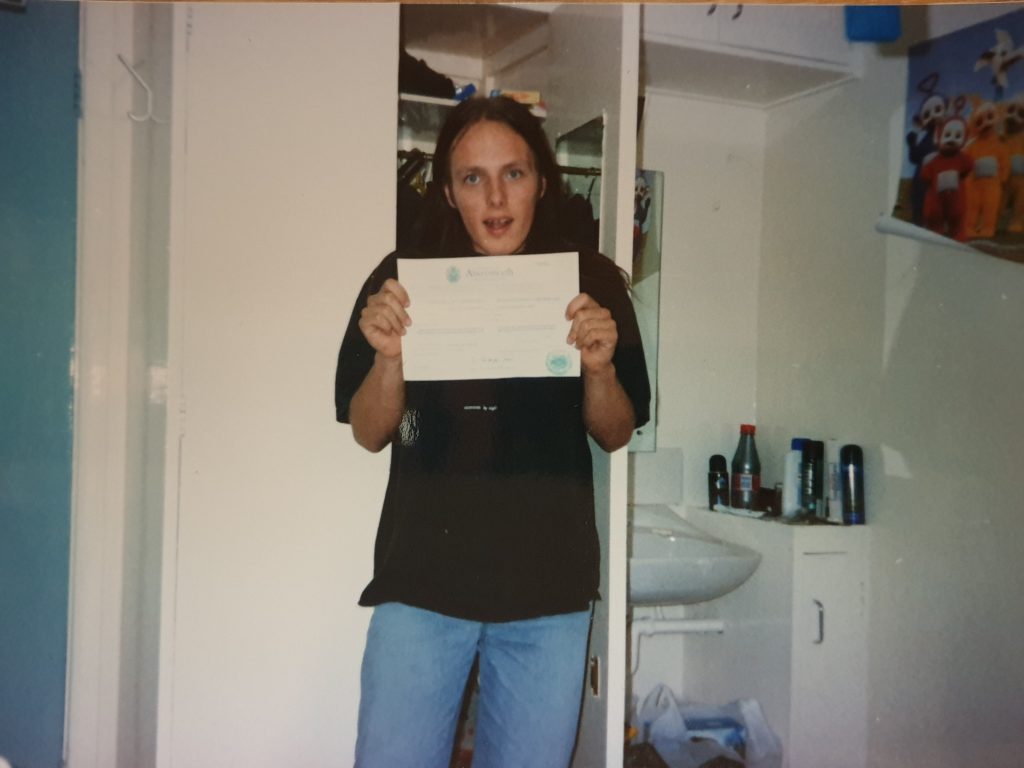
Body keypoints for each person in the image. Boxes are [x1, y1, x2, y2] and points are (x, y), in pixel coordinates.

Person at [335, 95, 650, 768]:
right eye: (473, 178)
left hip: (547, 591)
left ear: (541, 179)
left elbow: (617, 431)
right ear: (448, 191)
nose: (496, 196)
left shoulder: (589, 284)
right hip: (421, 584)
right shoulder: (406, 281)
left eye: (514, 173)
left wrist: (598, 367)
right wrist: (390, 357)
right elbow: (368, 430)